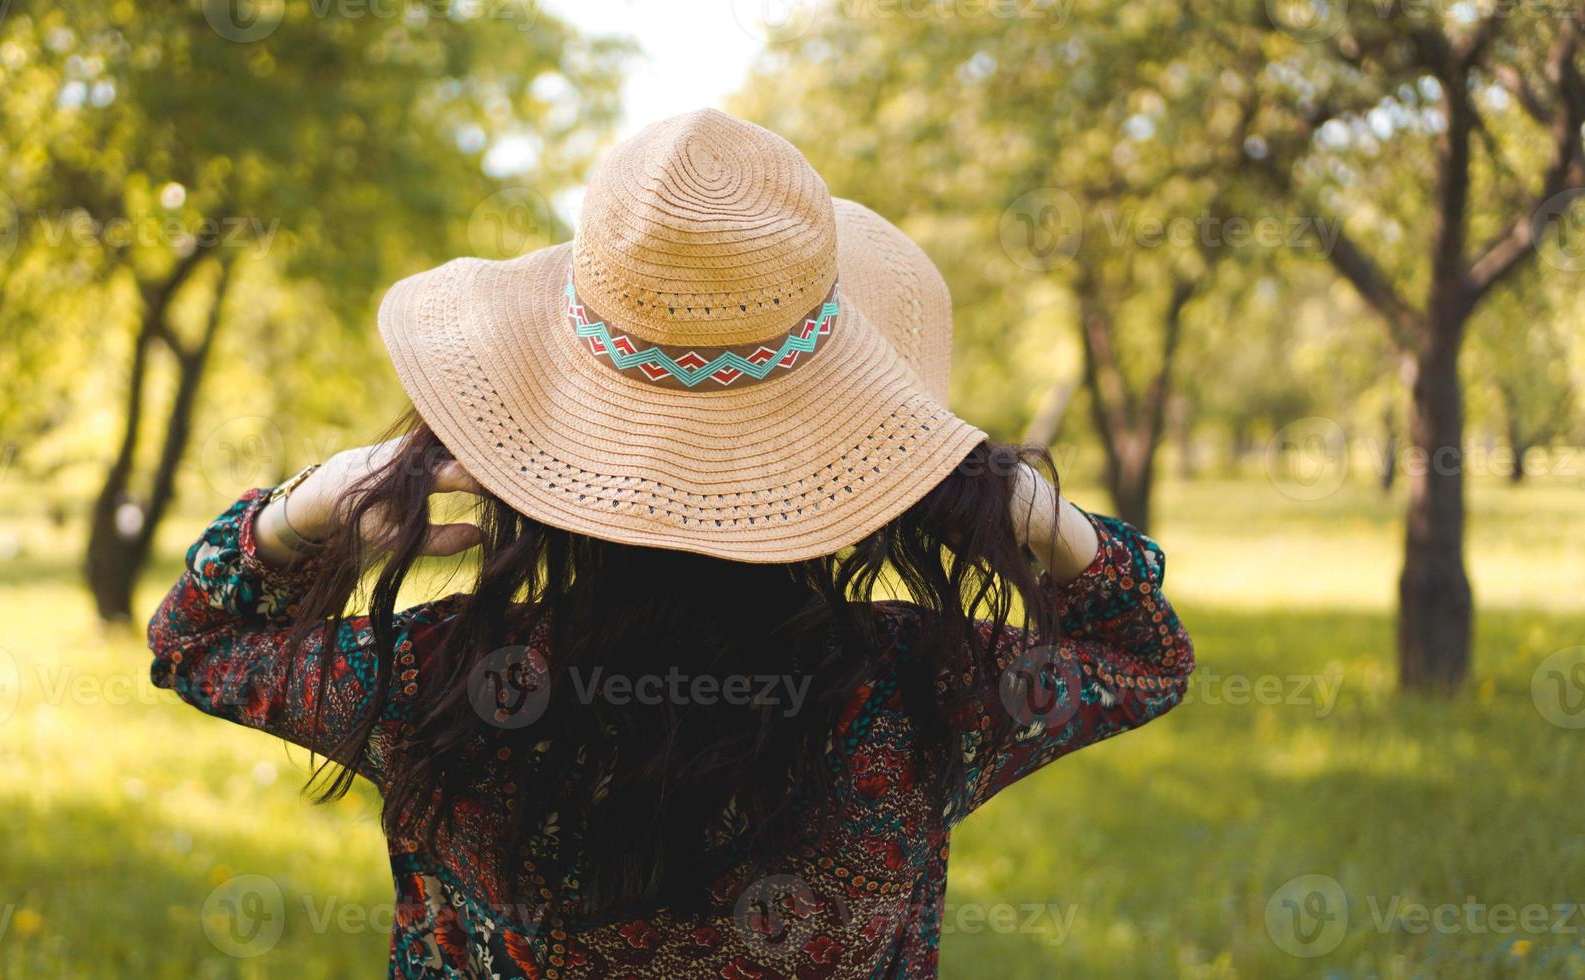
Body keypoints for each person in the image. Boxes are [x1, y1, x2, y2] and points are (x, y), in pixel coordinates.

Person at [148, 109, 1194, 979]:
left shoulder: (440, 683)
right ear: (844, 440)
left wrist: (305, 509)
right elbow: (1144, 652)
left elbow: (192, 644)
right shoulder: (920, 690)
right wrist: (1010, 500)